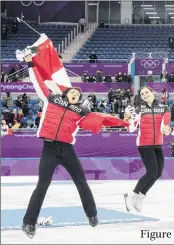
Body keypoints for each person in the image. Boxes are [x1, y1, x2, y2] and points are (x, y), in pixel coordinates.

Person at [21, 54, 128, 238]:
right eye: (72, 92)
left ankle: (92, 214)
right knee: (42, 185)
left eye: (78, 95)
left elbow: (102, 120)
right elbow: (38, 82)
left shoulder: (81, 112)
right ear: (65, 94)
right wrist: (31, 62)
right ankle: (29, 223)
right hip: (49, 148)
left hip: (67, 150)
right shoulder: (51, 99)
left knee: (81, 182)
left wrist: (123, 123)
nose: (75, 95)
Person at [123, 86, 171, 213]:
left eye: (146, 92)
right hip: (144, 144)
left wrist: (167, 129)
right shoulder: (138, 109)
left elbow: (165, 126)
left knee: (158, 173)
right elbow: (132, 129)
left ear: (152, 93)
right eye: (142, 94)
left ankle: (140, 197)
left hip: (158, 144)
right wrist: (128, 121)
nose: (144, 95)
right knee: (151, 172)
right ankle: (131, 195)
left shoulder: (164, 108)